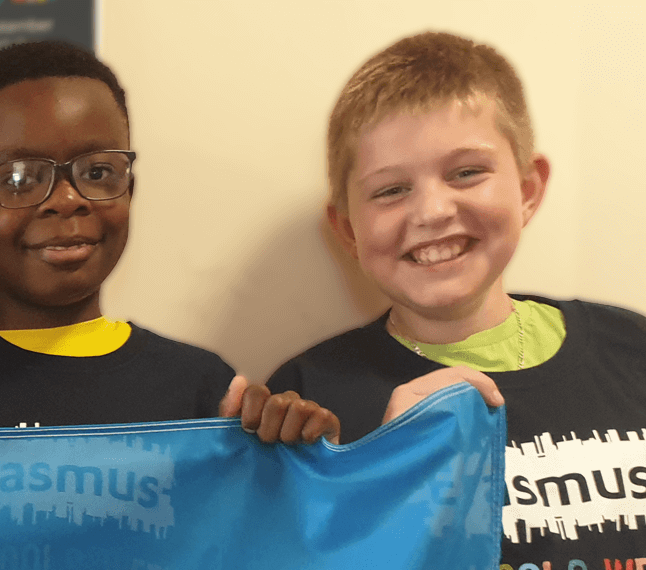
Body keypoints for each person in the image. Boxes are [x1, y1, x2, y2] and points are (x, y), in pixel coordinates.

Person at [267, 31, 643, 565]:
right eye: (391, 190)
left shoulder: (631, 350)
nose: (432, 211)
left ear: (528, 190)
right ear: (348, 230)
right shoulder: (308, 402)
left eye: (466, 173)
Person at [0, 41, 336, 443]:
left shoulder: (201, 388)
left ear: (129, 190)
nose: (67, 200)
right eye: (19, 178)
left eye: (97, 172)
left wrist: (297, 468)